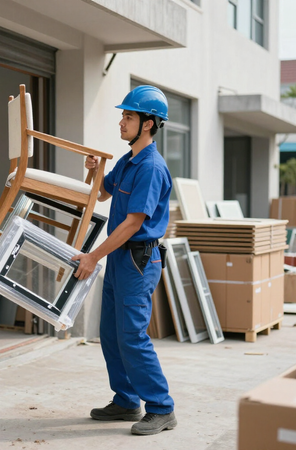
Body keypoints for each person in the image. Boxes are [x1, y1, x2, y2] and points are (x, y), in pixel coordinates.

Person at [71, 85, 176, 436]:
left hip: (137, 261)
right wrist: (94, 169)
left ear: (148, 124)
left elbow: (134, 223)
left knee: (132, 335)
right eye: (123, 115)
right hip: (119, 259)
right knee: (111, 334)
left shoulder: (150, 167)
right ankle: (127, 400)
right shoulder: (128, 161)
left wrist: (91, 257)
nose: (121, 121)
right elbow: (102, 192)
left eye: (128, 116)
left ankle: (162, 408)